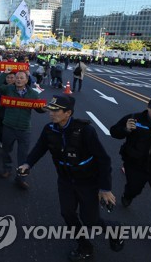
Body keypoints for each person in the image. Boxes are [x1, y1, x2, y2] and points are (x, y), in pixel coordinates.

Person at [19, 96, 123, 261]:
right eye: (50, 110)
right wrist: (27, 164)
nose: (51, 114)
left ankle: (114, 229)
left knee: (91, 221)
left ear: (68, 113)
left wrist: (105, 189)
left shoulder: (85, 131)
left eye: (56, 111)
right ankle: (85, 246)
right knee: (67, 213)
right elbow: (40, 148)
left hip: (88, 181)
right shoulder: (49, 129)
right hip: (65, 179)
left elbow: (104, 159)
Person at [109, 97, 151, 251]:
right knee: (133, 188)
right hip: (136, 166)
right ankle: (128, 195)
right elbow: (114, 132)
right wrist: (125, 130)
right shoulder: (134, 118)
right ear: (147, 107)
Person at [0, 69, 45, 189]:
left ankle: (21, 178)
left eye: (22, 78)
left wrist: (45, 108)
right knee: (6, 150)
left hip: (24, 128)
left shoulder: (33, 94)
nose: (18, 80)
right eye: (17, 77)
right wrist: (6, 72)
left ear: (27, 80)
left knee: (23, 155)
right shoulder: (9, 89)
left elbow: (39, 109)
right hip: (9, 126)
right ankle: (7, 168)